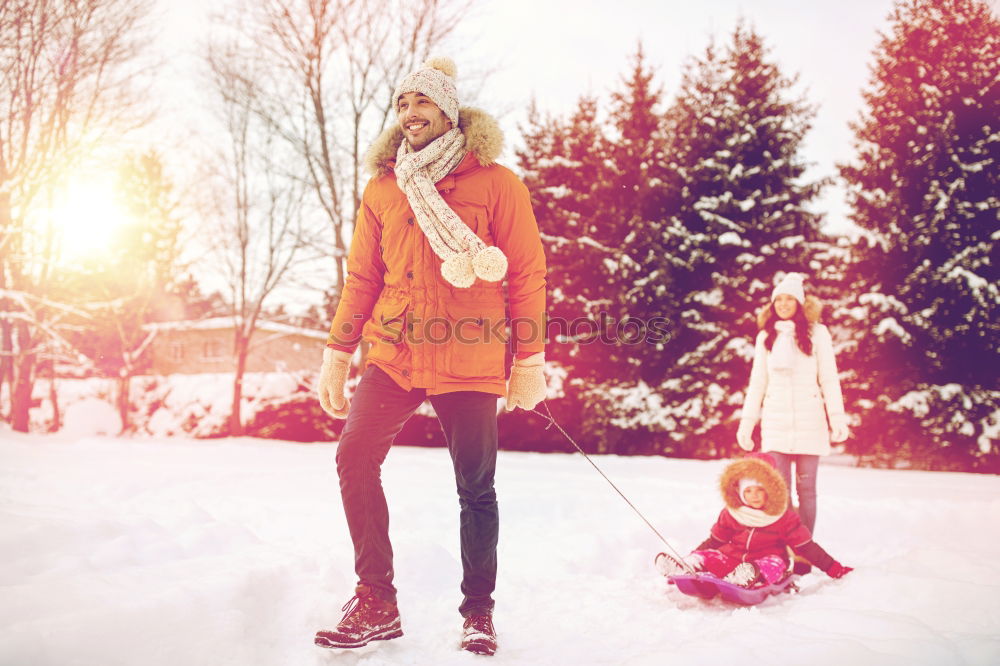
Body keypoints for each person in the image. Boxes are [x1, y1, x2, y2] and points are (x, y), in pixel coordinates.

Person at [313, 57, 547, 657]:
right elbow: (363, 275)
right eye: (401, 104)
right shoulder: (384, 187)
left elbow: (524, 272)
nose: (409, 114)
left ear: (447, 110)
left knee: (476, 487)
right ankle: (376, 601)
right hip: (395, 351)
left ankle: (478, 611)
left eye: (422, 103)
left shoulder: (496, 181)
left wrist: (529, 358)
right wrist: (339, 351)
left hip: (469, 353)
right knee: (354, 455)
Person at [736, 272, 848, 539]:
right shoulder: (766, 337)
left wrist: (837, 417)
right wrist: (747, 423)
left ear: (799, 303)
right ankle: (786, 545)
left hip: (811, 422)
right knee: (779, 489)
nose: (783, 304)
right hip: (776, 424)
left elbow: (829, 378)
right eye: (779, 300)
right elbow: (757, 383)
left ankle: (805, 547)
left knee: (806, 490)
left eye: (789, 299)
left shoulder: (818, 334)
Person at [654, 454, 852, 587]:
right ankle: (684, 568)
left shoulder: (782, 517)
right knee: (709, 555)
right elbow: (715, 541)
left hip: (766, 560)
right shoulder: (732, 513)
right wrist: (697, 554)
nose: (754, 496)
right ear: (740, 492)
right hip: (732, 559)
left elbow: (806, 547)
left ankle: (750, 577)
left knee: (774, 564)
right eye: (748, 491)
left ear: (770, 491)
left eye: (760, 490)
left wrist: (833, 568)